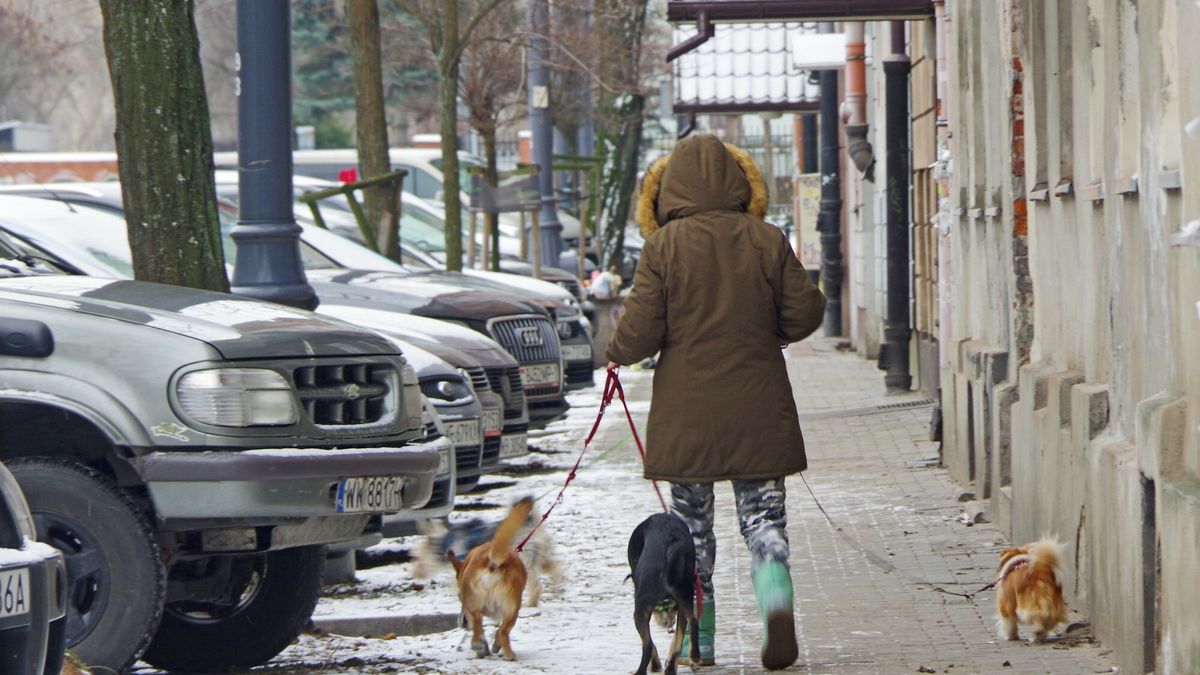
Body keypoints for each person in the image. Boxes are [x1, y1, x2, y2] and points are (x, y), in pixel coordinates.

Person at [606, 134, 825, 671]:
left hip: (688, 415)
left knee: (691, 531)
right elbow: (805, 315)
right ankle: (775, 604)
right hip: (759, 407)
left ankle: (699, 641)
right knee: (764, 521)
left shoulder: (663, 247)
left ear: (666, 191)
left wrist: (614, 353)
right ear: (739, 183)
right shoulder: (766, 239)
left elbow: (637, 335)